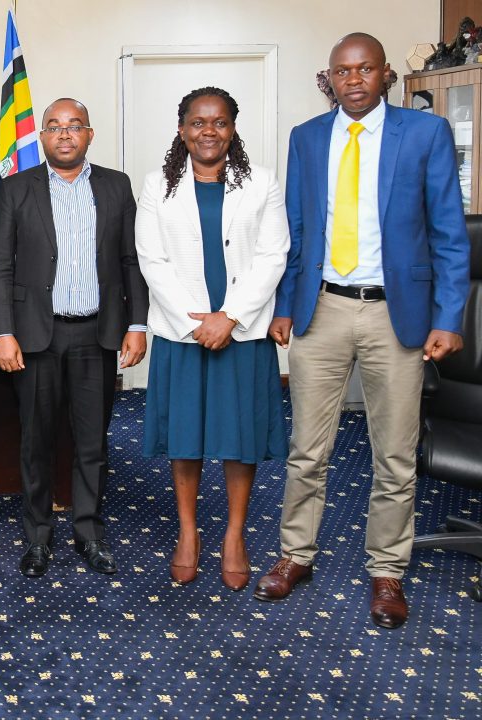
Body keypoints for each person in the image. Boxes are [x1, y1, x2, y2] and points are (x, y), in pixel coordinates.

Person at [255, 33, 470, 629]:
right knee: (307, 450)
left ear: (383, 77)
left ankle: (386, 572)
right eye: (343, 72)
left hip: (393, 314)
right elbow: (297, 231)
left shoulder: (424, 135)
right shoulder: (307, 138)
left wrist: (447, 318)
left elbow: (449, 235)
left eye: (366, 69)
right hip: (320, 310)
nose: (354, 80)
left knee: (394, 455)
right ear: (330, 79)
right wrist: (283, 306)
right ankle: (296, 554)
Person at [0, 98, 148, 578]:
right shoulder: (16, 189)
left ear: (89, 134)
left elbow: (129, 261)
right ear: (42, 138)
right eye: (54, 127)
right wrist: (4, 332)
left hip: (96, 334)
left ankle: (88, 533)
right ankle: (37, 537)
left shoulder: (116, 187)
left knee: (93, 441)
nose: (64, 135)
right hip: (37, 335)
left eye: (73, 126)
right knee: (36, 442)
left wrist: (136, 324)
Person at [134, 87, 289, 591]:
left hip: (242, 333)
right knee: (186, 435)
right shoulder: (158, 185)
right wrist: (194, 320)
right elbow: (151, 260)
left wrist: (232, 317)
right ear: (181, 129)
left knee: (239, 438)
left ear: (232, 129)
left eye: (219, 122)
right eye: (197, 122)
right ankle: (187, 531)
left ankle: (236, 535)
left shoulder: (262, 183)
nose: (208, 131)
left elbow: (273, 256)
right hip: (183, 332)